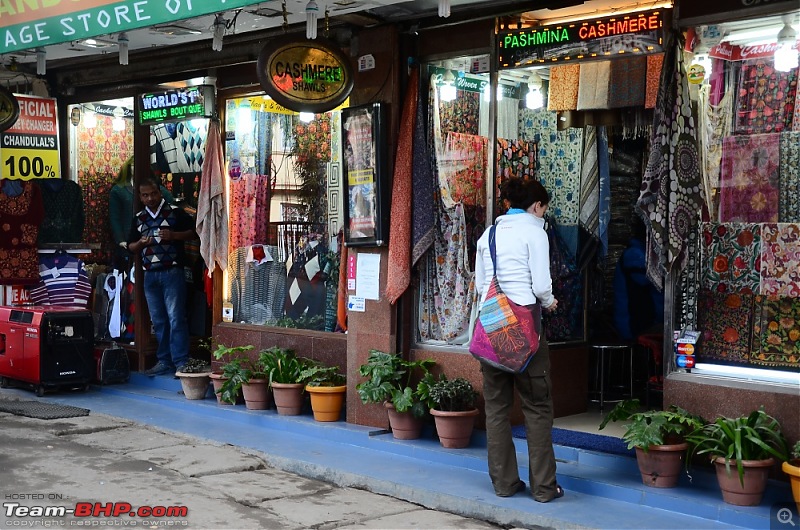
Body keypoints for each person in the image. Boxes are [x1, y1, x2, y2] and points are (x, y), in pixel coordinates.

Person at [474, 177, 562, 503]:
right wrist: (550, 300)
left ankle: (504, 484)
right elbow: (540, 286)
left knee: (496, 409)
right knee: (537, 409)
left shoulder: (489, 234)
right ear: (537, 206)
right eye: (544, 210)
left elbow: (481, 284)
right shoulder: (535, 232)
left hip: (494, 328)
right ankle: (543, 488)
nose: (544, 216)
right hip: (526, 332)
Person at [127, 177, 196, 376]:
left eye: (153, 193)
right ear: (140, 197)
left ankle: (180, 361)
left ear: (160, 192)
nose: (150, 198)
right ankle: (165, 360)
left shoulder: (175, 212)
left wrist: (173, 236)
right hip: (150, 275)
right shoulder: (139, 218)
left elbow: (193, 233)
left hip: (172, 272)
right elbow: (131, 246)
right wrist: (140, 243)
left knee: (176, 318)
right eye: (145, 195)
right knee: (158, 320)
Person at [110, 157, 174, 264]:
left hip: (155, 241)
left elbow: (170, 202)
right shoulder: (118, 190)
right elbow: (115, 217)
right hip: (129, 238)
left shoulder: (156, 189)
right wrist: (121, 239)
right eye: (132, 166)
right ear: (128, 168)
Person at [612, 217, 664, 342]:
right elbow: (647, 280)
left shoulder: (640, 252)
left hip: (639, 323)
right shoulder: (634, 254)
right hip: (633, 326)